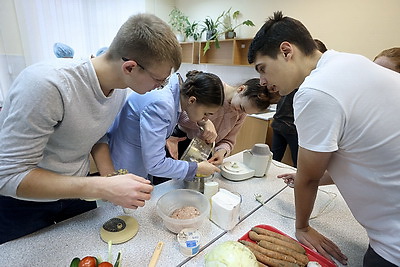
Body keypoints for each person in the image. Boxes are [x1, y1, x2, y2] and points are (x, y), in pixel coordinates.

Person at [0, 13, 182, 244]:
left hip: (75, 191)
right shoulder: (47, 85)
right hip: (24, 201)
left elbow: (97, 134)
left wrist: (109, 176)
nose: (160, 87)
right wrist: (103, 187)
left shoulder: (119, 89)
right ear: (130, 67)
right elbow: (8, 175)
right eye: (160, 80)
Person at [248, 11, 400, 266]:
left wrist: (303, 227)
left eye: (263, 69)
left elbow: (309, 177)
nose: (263, 82)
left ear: (286, 51)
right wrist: (306, 178)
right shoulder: (351, 62)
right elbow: (360, 155)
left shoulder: (315, 91)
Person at [107, 70, 223, 184]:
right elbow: (155, 164)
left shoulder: (176, 90)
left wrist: (203, 123)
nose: (206, 118)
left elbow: (178, 115)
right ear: (192, 100)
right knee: (124, 198)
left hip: (135, 151)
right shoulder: (162, 105)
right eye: (206, 113)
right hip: (128, 159)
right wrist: (195, 168)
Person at [167, 78, 281, 166]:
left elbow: (229, 140)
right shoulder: (214, 89)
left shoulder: (241, 114)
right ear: (241, 89)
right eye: (241, 107)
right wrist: (204, 122)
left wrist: (221, 151)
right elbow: (182, 114)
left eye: (245, 112)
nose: (240, 112)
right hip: (181, 141)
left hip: (205, 150)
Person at [271, 39, 327, 168]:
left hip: (292, 127)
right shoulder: (298, 76)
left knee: (297, 165)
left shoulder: (312, 81)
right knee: (276, 159)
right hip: (282, 124)